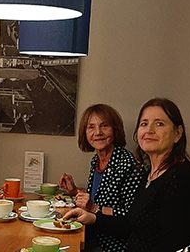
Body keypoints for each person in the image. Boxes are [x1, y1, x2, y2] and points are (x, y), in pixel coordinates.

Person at [63, 98, 190, 252]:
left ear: (177, 133)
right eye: (144, 124)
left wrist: (94, 209)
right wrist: (93, 217)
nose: (149, 130)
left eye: (159, 123)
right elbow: (132, 224)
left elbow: (175, 244)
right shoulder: (150, 176)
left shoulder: (181, 178)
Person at [58, 104, 144, 251]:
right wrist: (75, 191)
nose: (97, 132)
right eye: (91, 127)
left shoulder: (129, 164)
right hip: (93, 235)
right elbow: (101, 197)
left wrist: (94, 208)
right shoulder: (96, 160)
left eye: (104, 126)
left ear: (115, 129)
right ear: (85, 133)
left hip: (113, 245)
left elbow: (131, 217)